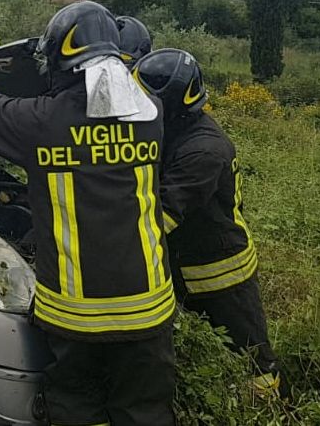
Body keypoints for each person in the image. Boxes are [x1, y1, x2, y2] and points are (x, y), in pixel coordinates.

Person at [0, 1, 176, 426]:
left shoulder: (42, 122)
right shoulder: (151, 115)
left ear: (61, 60)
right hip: (148, 307)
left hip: (75, 314)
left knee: (76, 407)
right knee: (145, 410)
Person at [134, 48, 283, 398]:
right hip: (188, 263)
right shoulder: (176, 131)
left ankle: (272, 407)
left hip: (221, 273)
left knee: (253, 357)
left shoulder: (203, 151)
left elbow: (161, 218)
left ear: (170, 104)